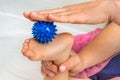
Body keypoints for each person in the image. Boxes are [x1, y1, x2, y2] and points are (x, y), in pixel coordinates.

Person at [22, 0, 120, 80]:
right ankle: (75, 60)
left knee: (65, 68)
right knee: (73, 66)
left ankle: (61, 57)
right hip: (102, 49)